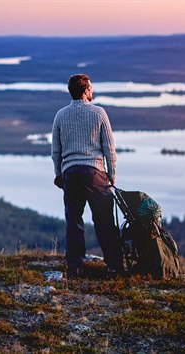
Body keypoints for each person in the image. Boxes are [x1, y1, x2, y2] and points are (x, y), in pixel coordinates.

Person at [51, 73, 123, 278]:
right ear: (85, 90)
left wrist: (59, 174)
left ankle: (74, 266)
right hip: (94, 173)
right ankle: (114, 265)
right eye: (90, 87)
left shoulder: (60, 115)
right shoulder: (99, 113)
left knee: (73, 220)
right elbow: (109, 149)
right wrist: (112, 174)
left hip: (71, 174)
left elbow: (56, 151)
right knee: (104, 220)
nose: (92, 90)